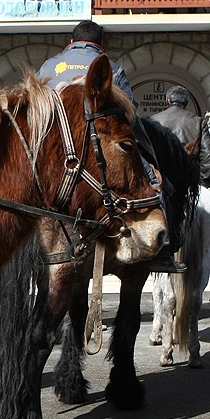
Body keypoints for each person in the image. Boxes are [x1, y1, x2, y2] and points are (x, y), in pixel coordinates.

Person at [36, 21, 184, 273]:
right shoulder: (112, 69)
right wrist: (150, 160)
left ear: (70, 43)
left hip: (53, 159)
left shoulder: (49, 66)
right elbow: (128, 119)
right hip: (94, 152)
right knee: (151, 178)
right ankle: (164, 251)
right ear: (101, 44)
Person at [153, 86, 210, 186]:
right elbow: (208, 158)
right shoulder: (198, 122)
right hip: (187, 182)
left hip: (160, 182)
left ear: (168, 100)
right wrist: (203, 184)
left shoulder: (153, 120)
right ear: (186, 103)